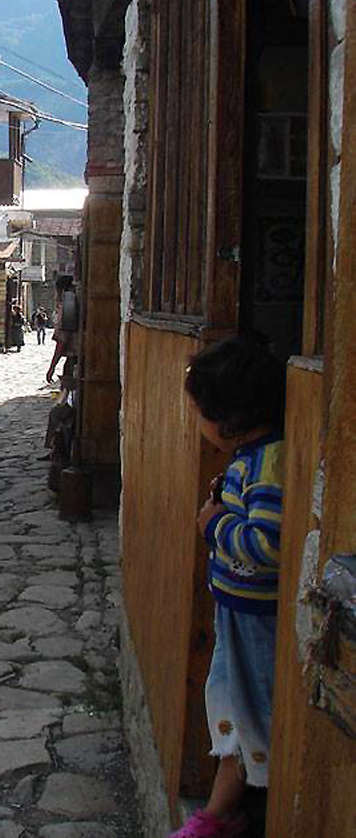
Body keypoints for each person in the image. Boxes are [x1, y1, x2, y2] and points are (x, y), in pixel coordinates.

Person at [173, 337, 286, 838]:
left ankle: (218, 818)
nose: (198, 425)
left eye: (200, 414)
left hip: (257, 620)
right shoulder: (251, 460)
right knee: (233, 704)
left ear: (230, 420)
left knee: (247, 707)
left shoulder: (267, 468)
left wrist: (214, 525)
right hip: (238, 611)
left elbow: (269, 543)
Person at [46, 275, 79, 383]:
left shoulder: (67, 308)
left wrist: (52, 367)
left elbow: (61, 342)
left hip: (75, 359)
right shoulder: (74, 304)